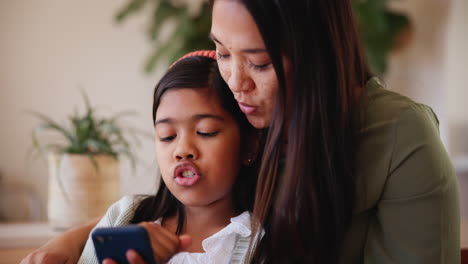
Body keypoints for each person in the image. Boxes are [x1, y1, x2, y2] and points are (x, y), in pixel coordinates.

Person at [23, 0, 460, 263]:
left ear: (318, 56)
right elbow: (171, 212)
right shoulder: (247, 108)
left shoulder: (401, 138)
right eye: (222, 50)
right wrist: (72, 242)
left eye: (260, 62)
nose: (235, 81)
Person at [77, 52, 259, 264]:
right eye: (167, 136)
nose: (182, 150)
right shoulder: (123, 217)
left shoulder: (265, 242)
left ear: (249, 145)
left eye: (206, 131)